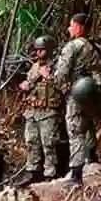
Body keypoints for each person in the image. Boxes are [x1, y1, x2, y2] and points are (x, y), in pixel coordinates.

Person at [53, 13, 101, 186]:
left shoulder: (72, 46)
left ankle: (76, 174)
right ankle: (92, 158)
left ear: (78, 27)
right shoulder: (93, 46)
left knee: (75, 129)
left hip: (76, 92)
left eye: (71, 25)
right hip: (91, 91)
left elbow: (61, 73)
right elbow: (100, 70)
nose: (69, 28)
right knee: (89, 124)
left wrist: (61, 87)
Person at [16, 36, 63, 187]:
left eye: (42, 50)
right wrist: (25, 85)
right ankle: (32, 171)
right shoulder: (34, 67)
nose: (39, 53)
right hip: (32, 111)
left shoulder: (57, 67)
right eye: (37, 50)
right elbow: (29, 84)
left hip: (48, 111)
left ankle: (50, 173)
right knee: (31, 141)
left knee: (48, 144)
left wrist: (48, 76)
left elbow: (63, 87)